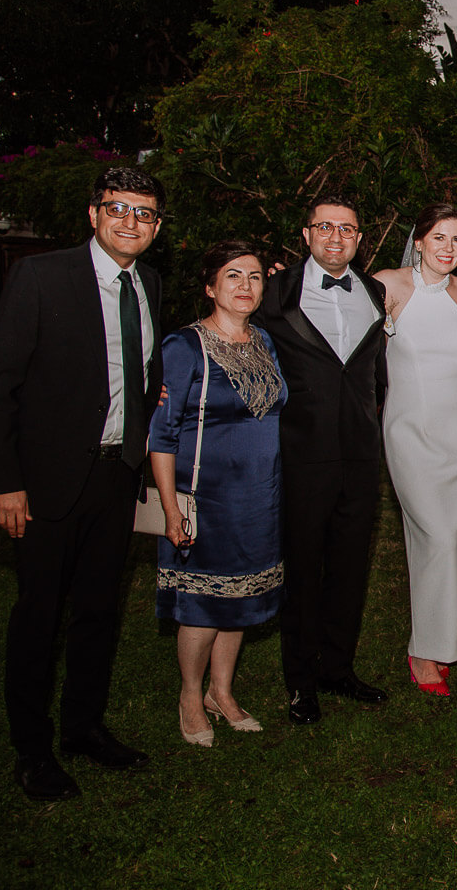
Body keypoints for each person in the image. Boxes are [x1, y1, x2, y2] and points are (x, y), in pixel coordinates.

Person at [0, 166, 165, 799]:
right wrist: (6, 481)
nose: (130, 221)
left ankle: (83, 727)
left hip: (117, 477)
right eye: (118, 208)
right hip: (48, 480)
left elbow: (137, 370)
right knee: (39, 615)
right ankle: (31, 749)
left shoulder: (150, 285)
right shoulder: (41, 276)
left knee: (98, 612)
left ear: (156, 226)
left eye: (144, 213)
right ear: (94, 213)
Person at [255, 194, 388, 725]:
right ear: (307, 234)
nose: (337, 237)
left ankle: (338, 669)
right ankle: (300, 680)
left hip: (360, 452)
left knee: (351, 568)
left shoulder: (375, 292)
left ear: (360, 238)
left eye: (348, 229)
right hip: (301, 452)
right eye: (326, 227)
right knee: (303, 569)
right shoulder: (274, 291)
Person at [150, 240, 286, 746]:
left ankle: (222, 691)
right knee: (205, 604)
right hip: (206, 497)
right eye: (233, 276)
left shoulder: (265, 343)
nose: (245, 286)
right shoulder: (183, 347)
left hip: (261, 495)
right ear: (210, 287)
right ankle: (190, 694)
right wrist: (170, 508)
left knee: (243, 597)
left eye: (253, 276)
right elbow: (161, 435)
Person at [371, 204, 457, 696]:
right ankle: (423, 649)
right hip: (411, 431)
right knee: (435, 537)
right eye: (439, 238)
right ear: (418, 241)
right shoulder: (388, 284)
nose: (449, 249)